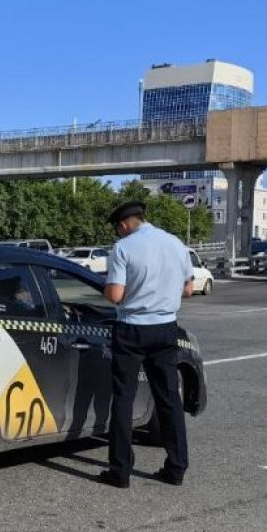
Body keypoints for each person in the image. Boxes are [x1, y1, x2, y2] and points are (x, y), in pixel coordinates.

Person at [97, 201, 194, 489]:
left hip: (132, 329)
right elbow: (188, 289)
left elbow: (115, 295)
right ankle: (176, 468)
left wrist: (109, 288)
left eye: (118, 227)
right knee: (169, 398)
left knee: (124, 398)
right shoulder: (175, 243)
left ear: (125, 224)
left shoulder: (124, 248)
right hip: (165, 328)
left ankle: (120, 471)